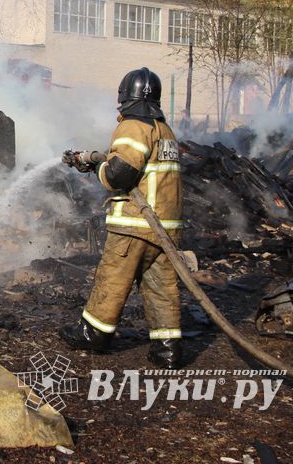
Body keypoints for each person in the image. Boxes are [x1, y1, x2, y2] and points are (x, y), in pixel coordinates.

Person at [59, 67, 185, 369]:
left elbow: (119, 174)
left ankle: (94, 335)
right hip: (166, 228)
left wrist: (99, 169)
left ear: (124, 95)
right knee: (161, 287)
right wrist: (92, 162)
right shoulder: (163, 129)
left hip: (136, 223)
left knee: (113, 277)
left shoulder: (134, 125)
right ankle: (167, 350)